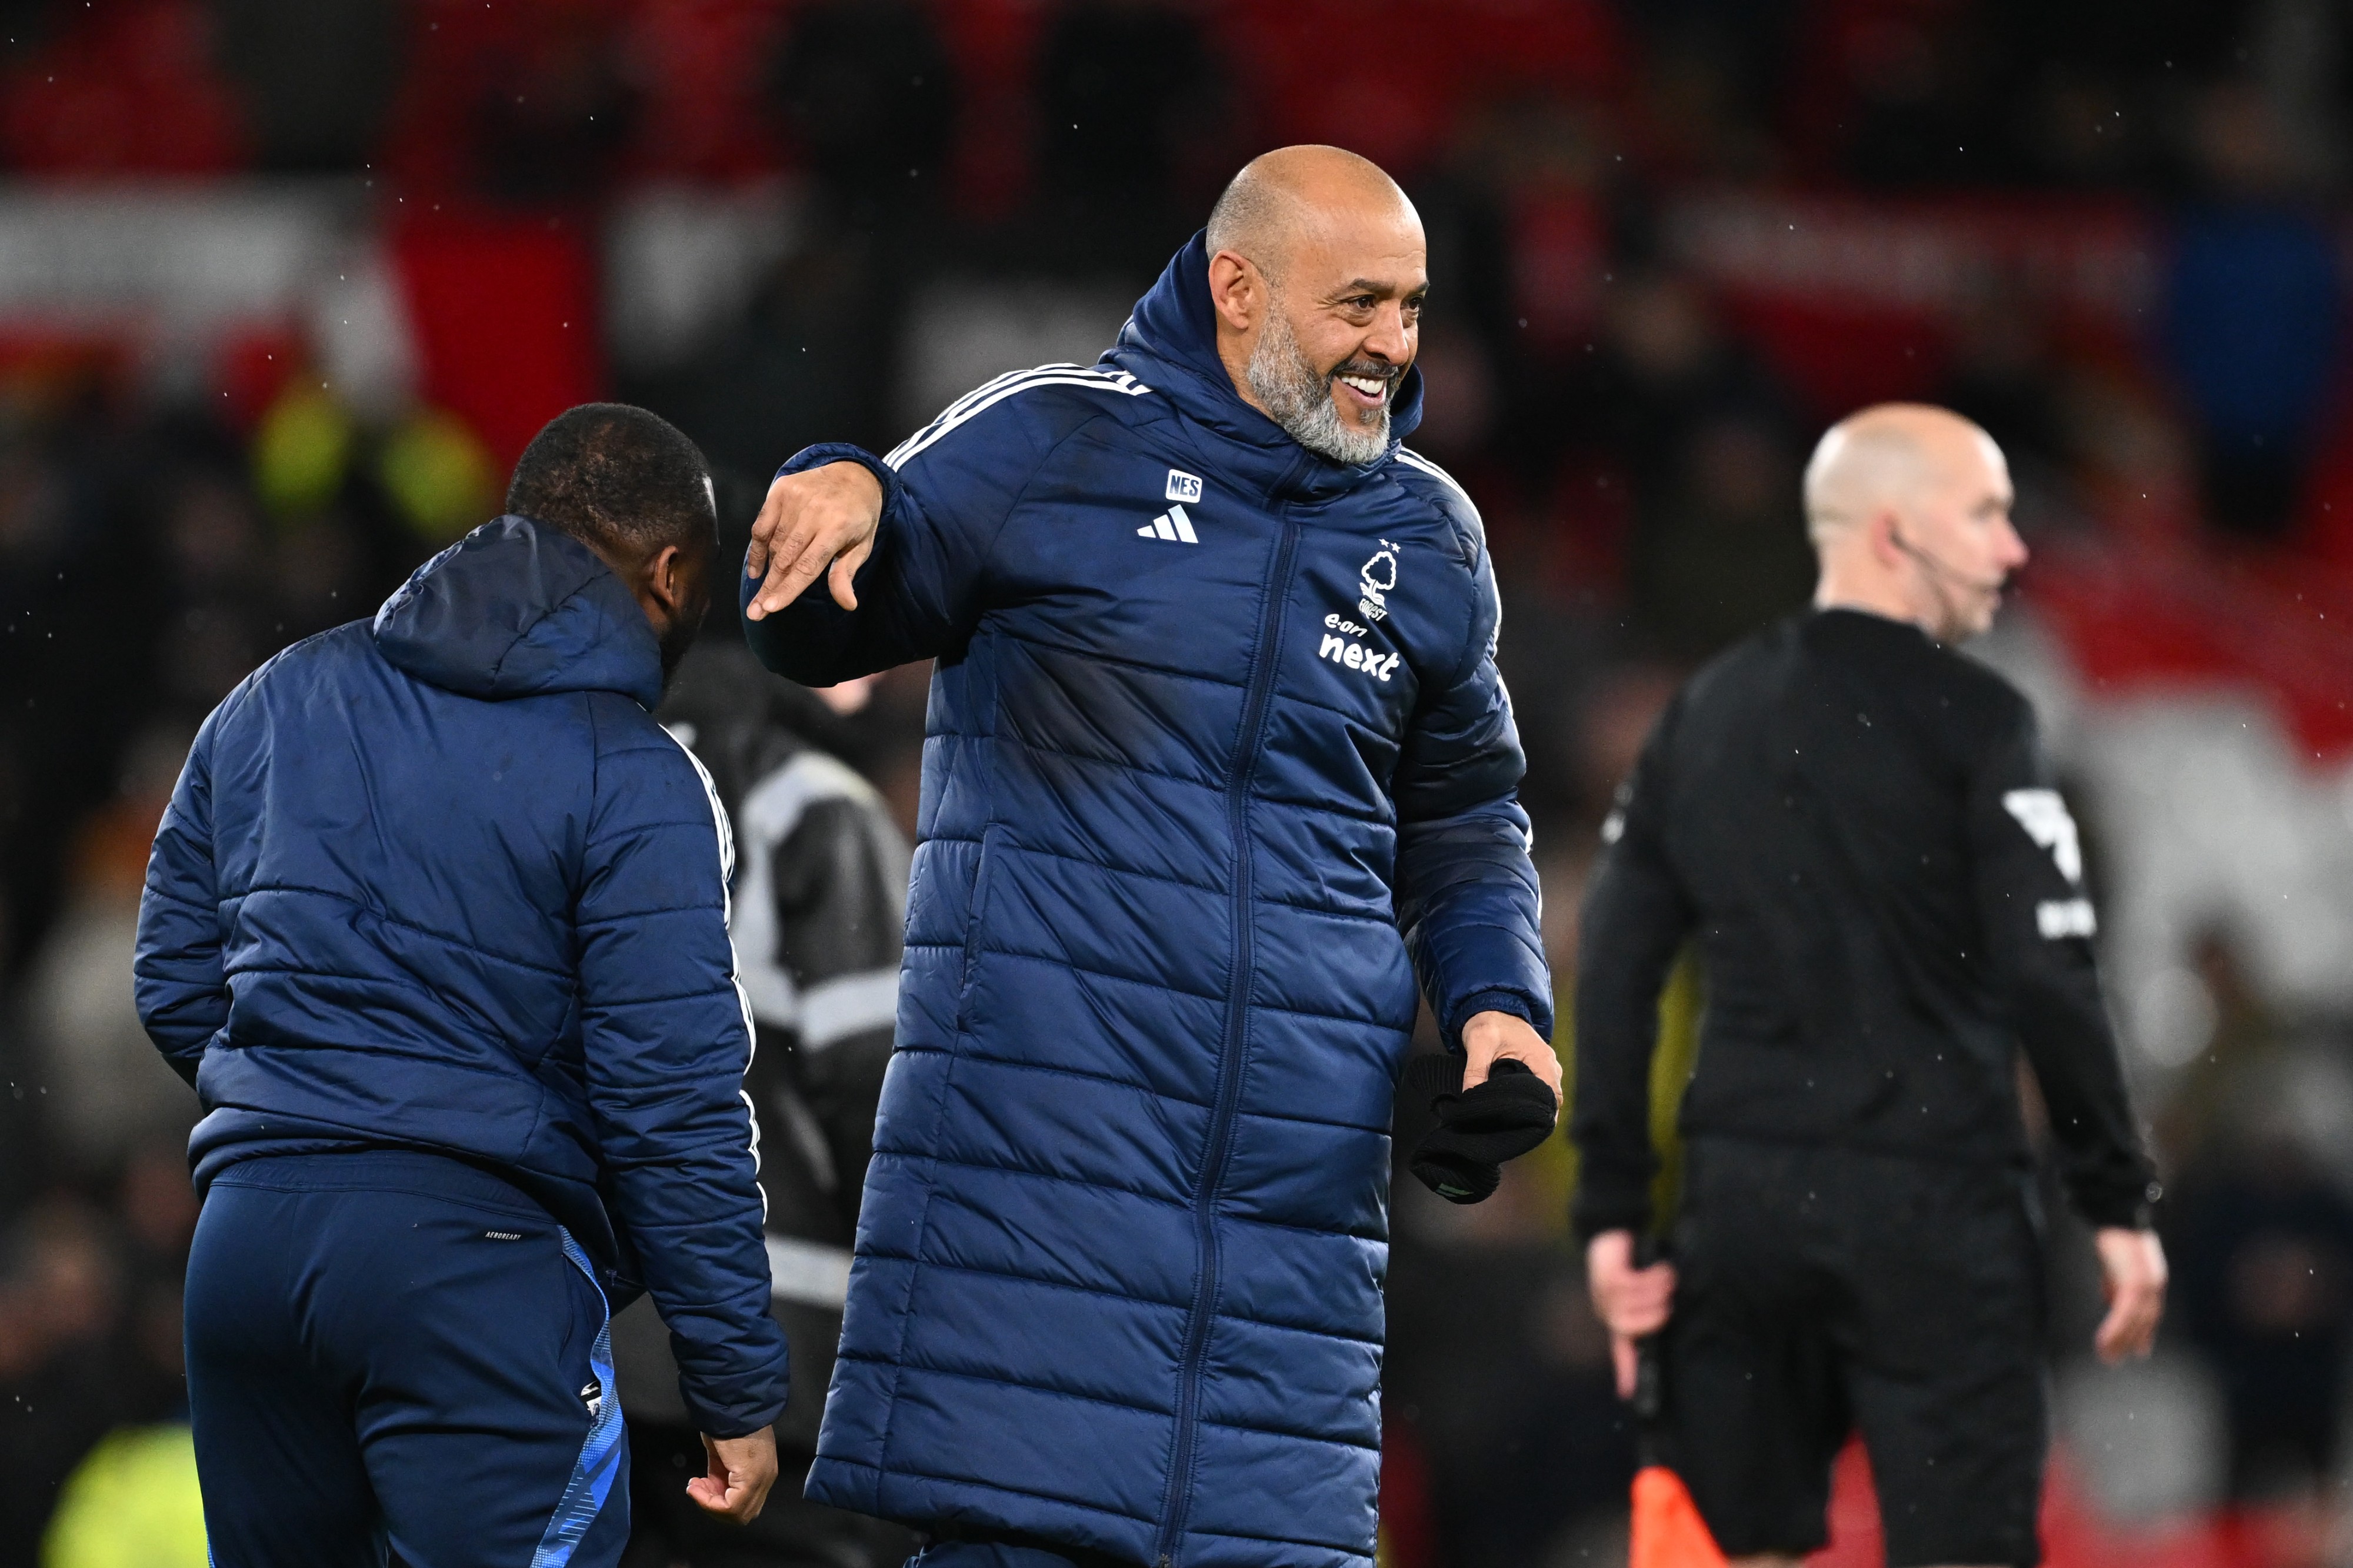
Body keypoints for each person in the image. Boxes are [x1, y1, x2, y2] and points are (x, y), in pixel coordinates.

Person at [738, 145, 1559, 1568]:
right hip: (1034, 1219)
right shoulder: (1054, 439)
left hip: (1285, 1257)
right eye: (1357, 302)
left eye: (1414, 309)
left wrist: (1502, 1009)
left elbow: (1465, 819)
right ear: (1236, 288)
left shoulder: (1428, 536)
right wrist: (829, 487)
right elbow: (834, 611)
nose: (1392, 347)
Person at [132, 404, 789, 1567]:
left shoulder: (280, 695)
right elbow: (671, 1107)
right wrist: (733, 1383)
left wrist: (305, 1113)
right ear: (675, 569)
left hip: (245, 1252)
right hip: (473, 1269)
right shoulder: (639, 777)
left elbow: (174, 976)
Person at [1572, 403, 2169, 1568]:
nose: (2009, 549)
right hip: (1929, 1200)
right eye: (1985, 516)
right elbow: (2050, 974)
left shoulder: (1705, 716)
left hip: (1741, 1198)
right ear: (1893, 532)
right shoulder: (1981, 724)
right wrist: (2112, 1196)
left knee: (1731, 1546)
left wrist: (1610, 1210)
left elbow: (1616, 962)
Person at [616, 636, 919, 1567]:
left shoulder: (597, 791)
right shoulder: (812, 806)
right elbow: (886, 1112)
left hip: (607, 1356)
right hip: (786, 1366)